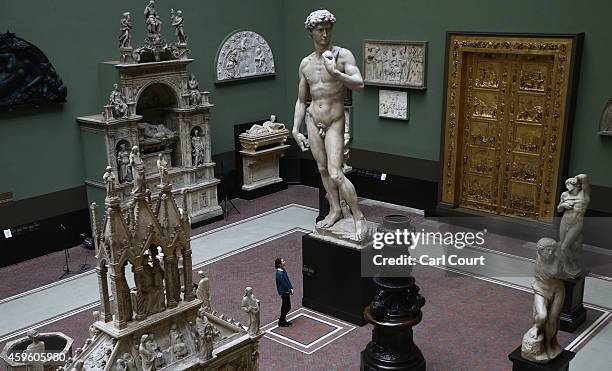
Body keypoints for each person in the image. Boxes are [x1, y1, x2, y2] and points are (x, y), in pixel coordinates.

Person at [292, 9, 367, 240]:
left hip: (335, 121)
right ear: (311, 33)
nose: (325, 34)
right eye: (319, 30)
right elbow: (301, 100)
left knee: (336, 173)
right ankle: (335, 209)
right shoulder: (305, 64)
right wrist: (295, 129)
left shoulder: (342, 56)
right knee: (322, 170)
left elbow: (359, 83)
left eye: (328, 29)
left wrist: (336, 73)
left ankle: (358, 217)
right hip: (313, 121)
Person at [275, 257, 293, 327]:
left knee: (284, 306)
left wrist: (291, 288)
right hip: (284, 292)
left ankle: (283, 320)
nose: (284, 262)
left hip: (286, 291)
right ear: (280, 264)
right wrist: (289, 290)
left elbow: (287, 280)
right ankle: (281, 321)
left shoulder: (283, 270)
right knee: (287, 307)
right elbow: (283, 284)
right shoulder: (279, 273)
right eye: (283, 261)